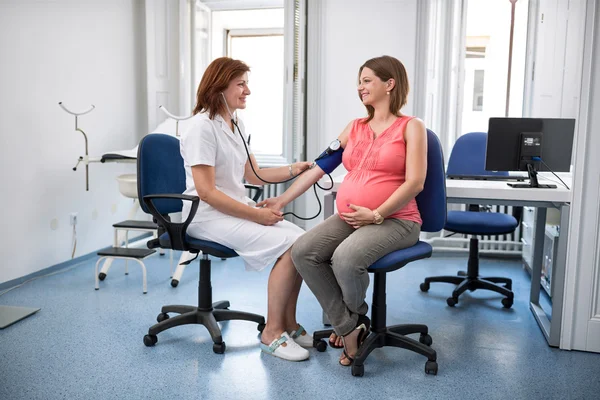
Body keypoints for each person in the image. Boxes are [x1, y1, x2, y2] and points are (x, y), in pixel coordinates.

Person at [257, 55, 427, 366]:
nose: (360, 87)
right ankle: (351, 327)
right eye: (359, 82)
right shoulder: (355, 127)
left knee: (345, 259)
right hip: (351, 218)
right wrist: (281, 200)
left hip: (397, 220)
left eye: (367, 81)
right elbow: (320, 167)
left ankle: (350, 325)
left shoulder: (411, 127)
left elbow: (415, 182)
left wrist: (376, 214)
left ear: (389, 84)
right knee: (303, 250)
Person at [180, 57, 313, 362]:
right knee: (290, 243)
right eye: (240, 84)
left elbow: (254, 174)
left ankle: (289, 325)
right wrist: (258, 215)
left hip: (232, 211)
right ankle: (272, 333)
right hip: (206, 217)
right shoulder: (201, 127)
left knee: (303, 242)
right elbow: (207, 192)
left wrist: (298, 168)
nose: (247, 91)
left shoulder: (235, 123)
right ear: (219, 87)